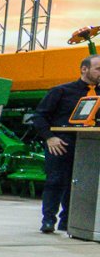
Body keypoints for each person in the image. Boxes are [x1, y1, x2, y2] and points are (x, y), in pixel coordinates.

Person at [30, 53, 100, 234]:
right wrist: (49, 137)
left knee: (81, 184)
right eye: (98, 69)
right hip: (61, 143)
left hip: (89, 146)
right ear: (84, 69)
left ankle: (68, 221)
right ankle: (48, 220)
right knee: (56, 181)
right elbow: (39, 116)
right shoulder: (61, 91)